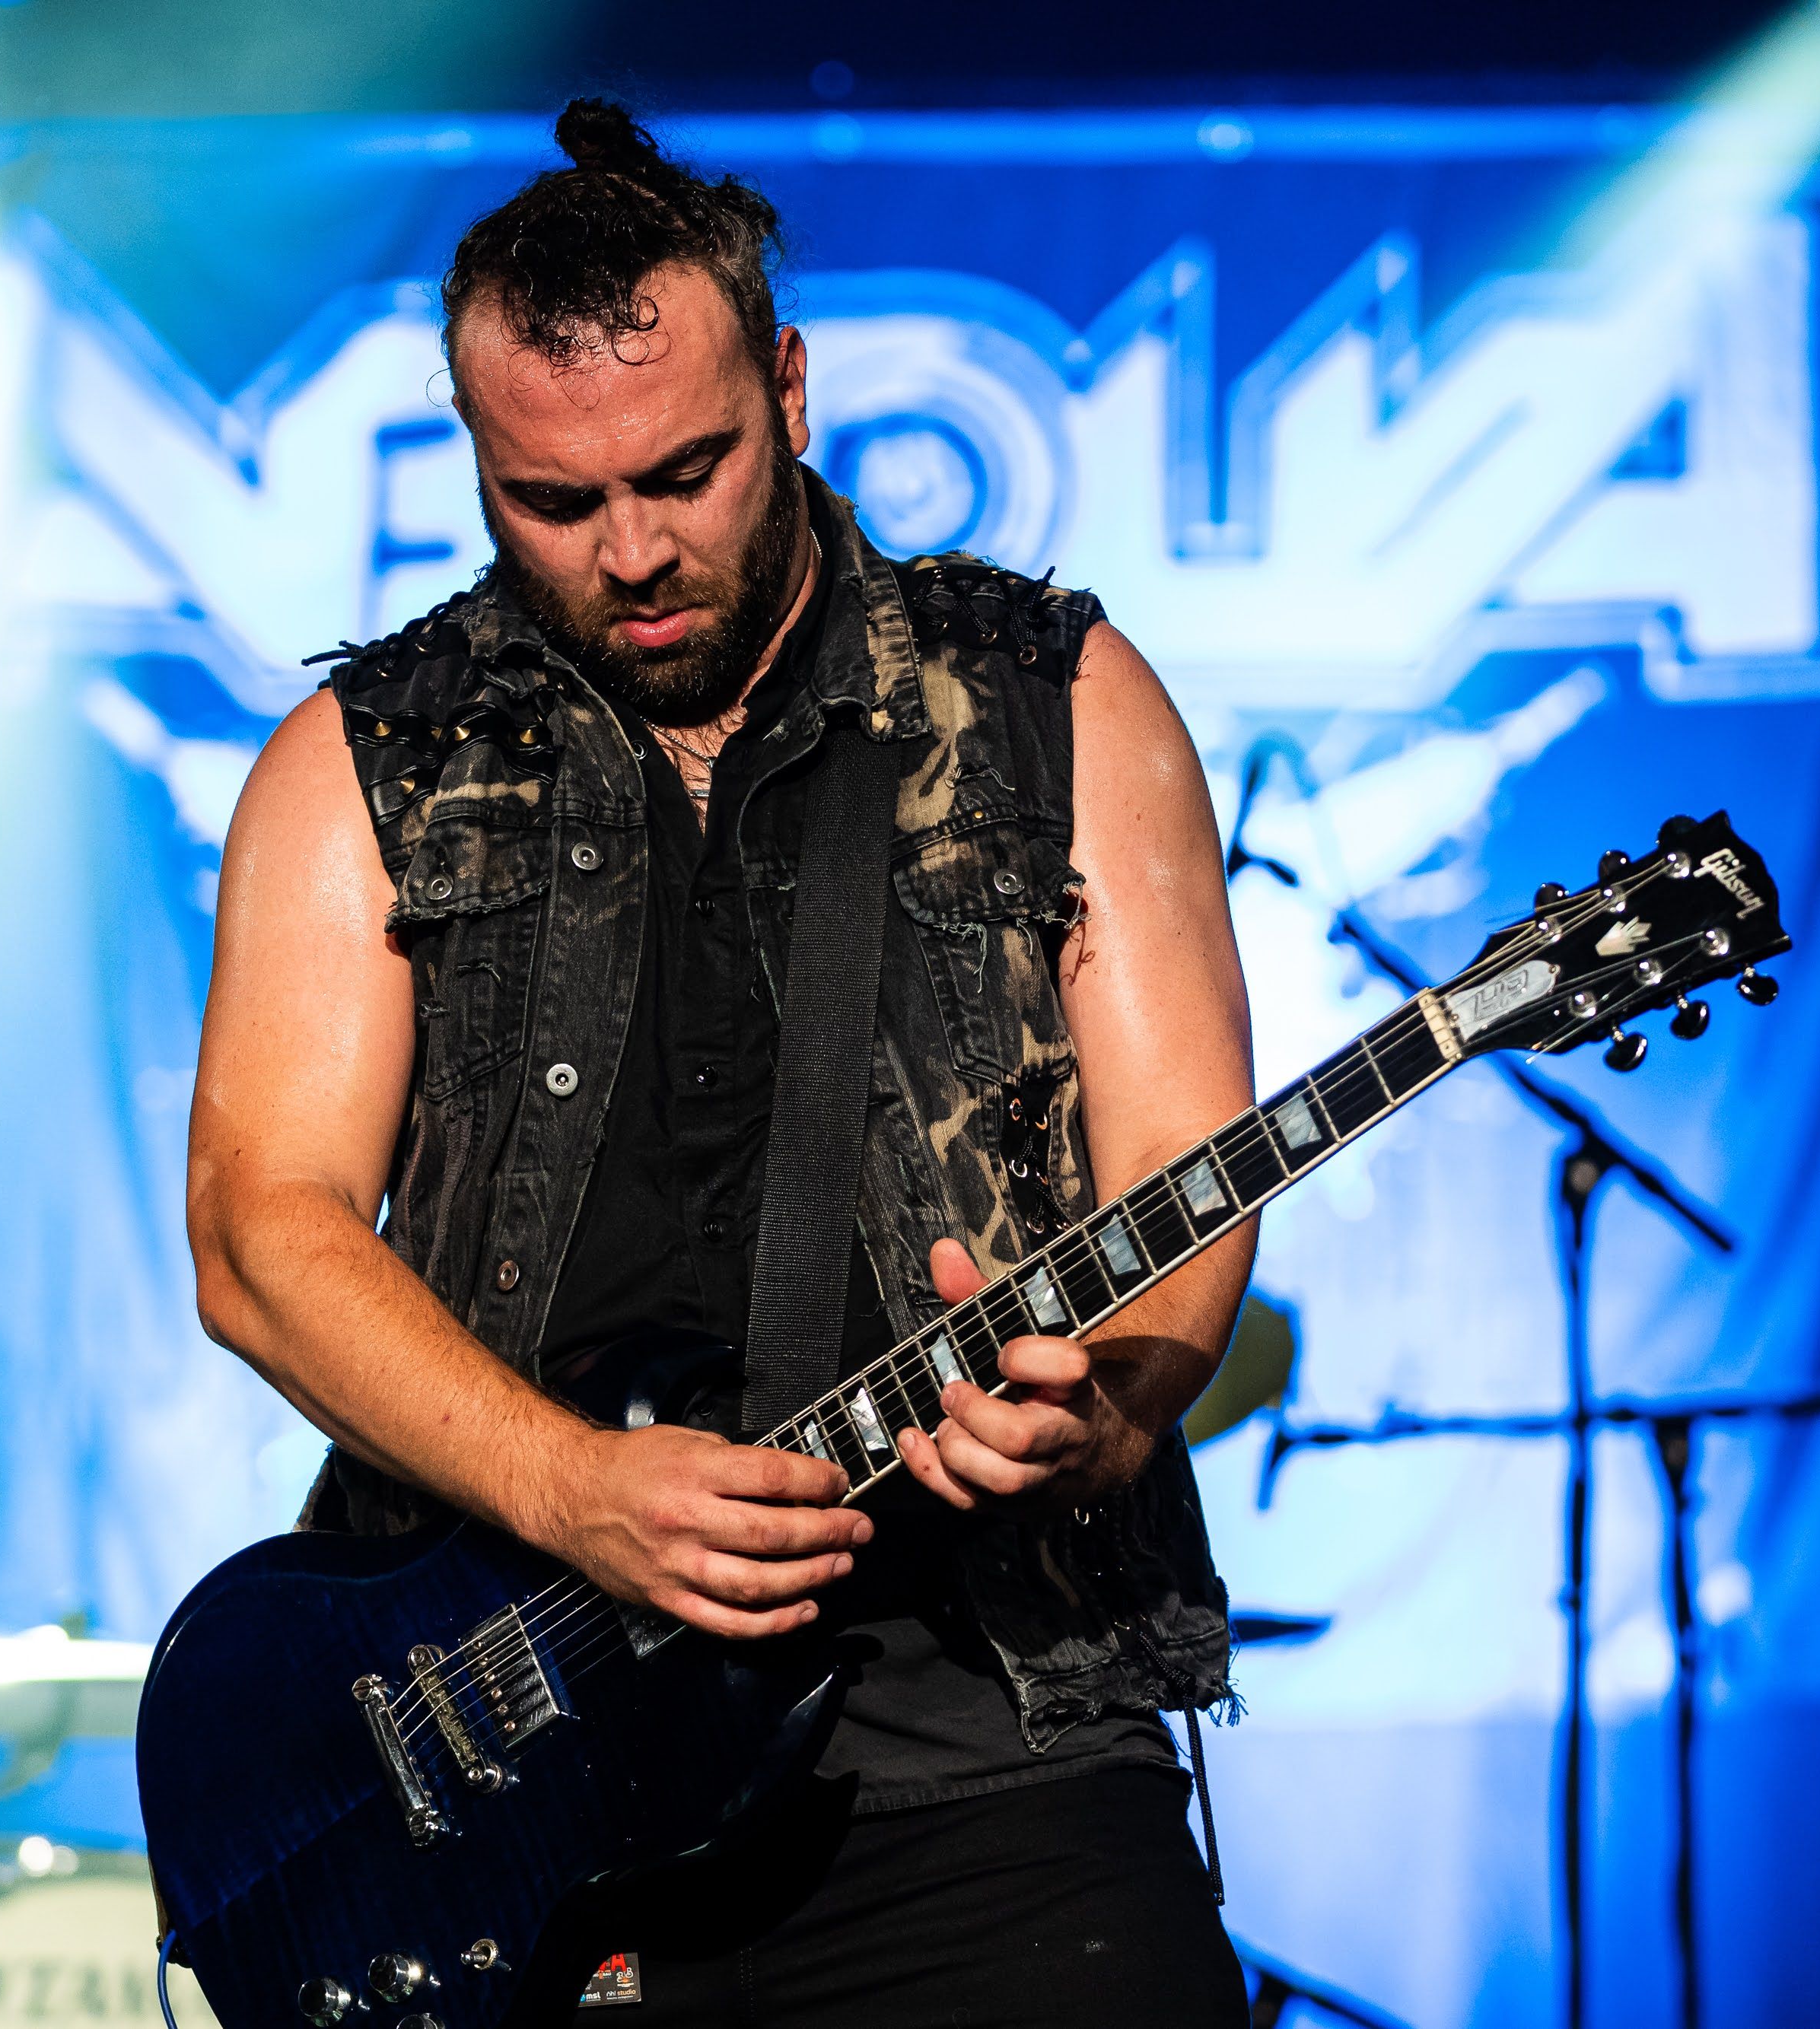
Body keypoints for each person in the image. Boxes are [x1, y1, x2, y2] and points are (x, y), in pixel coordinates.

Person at [187, 97, 1258, 2027]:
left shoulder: (1051, 701)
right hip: (521, 1769)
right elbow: (262, 1227)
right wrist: (570, 1487)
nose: (634, 548)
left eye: (686, 469)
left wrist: (1099, 1417)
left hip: (991, 1746)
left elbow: (1185, 1167)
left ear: (787, 384)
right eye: (553, 500)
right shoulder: (366, 761)